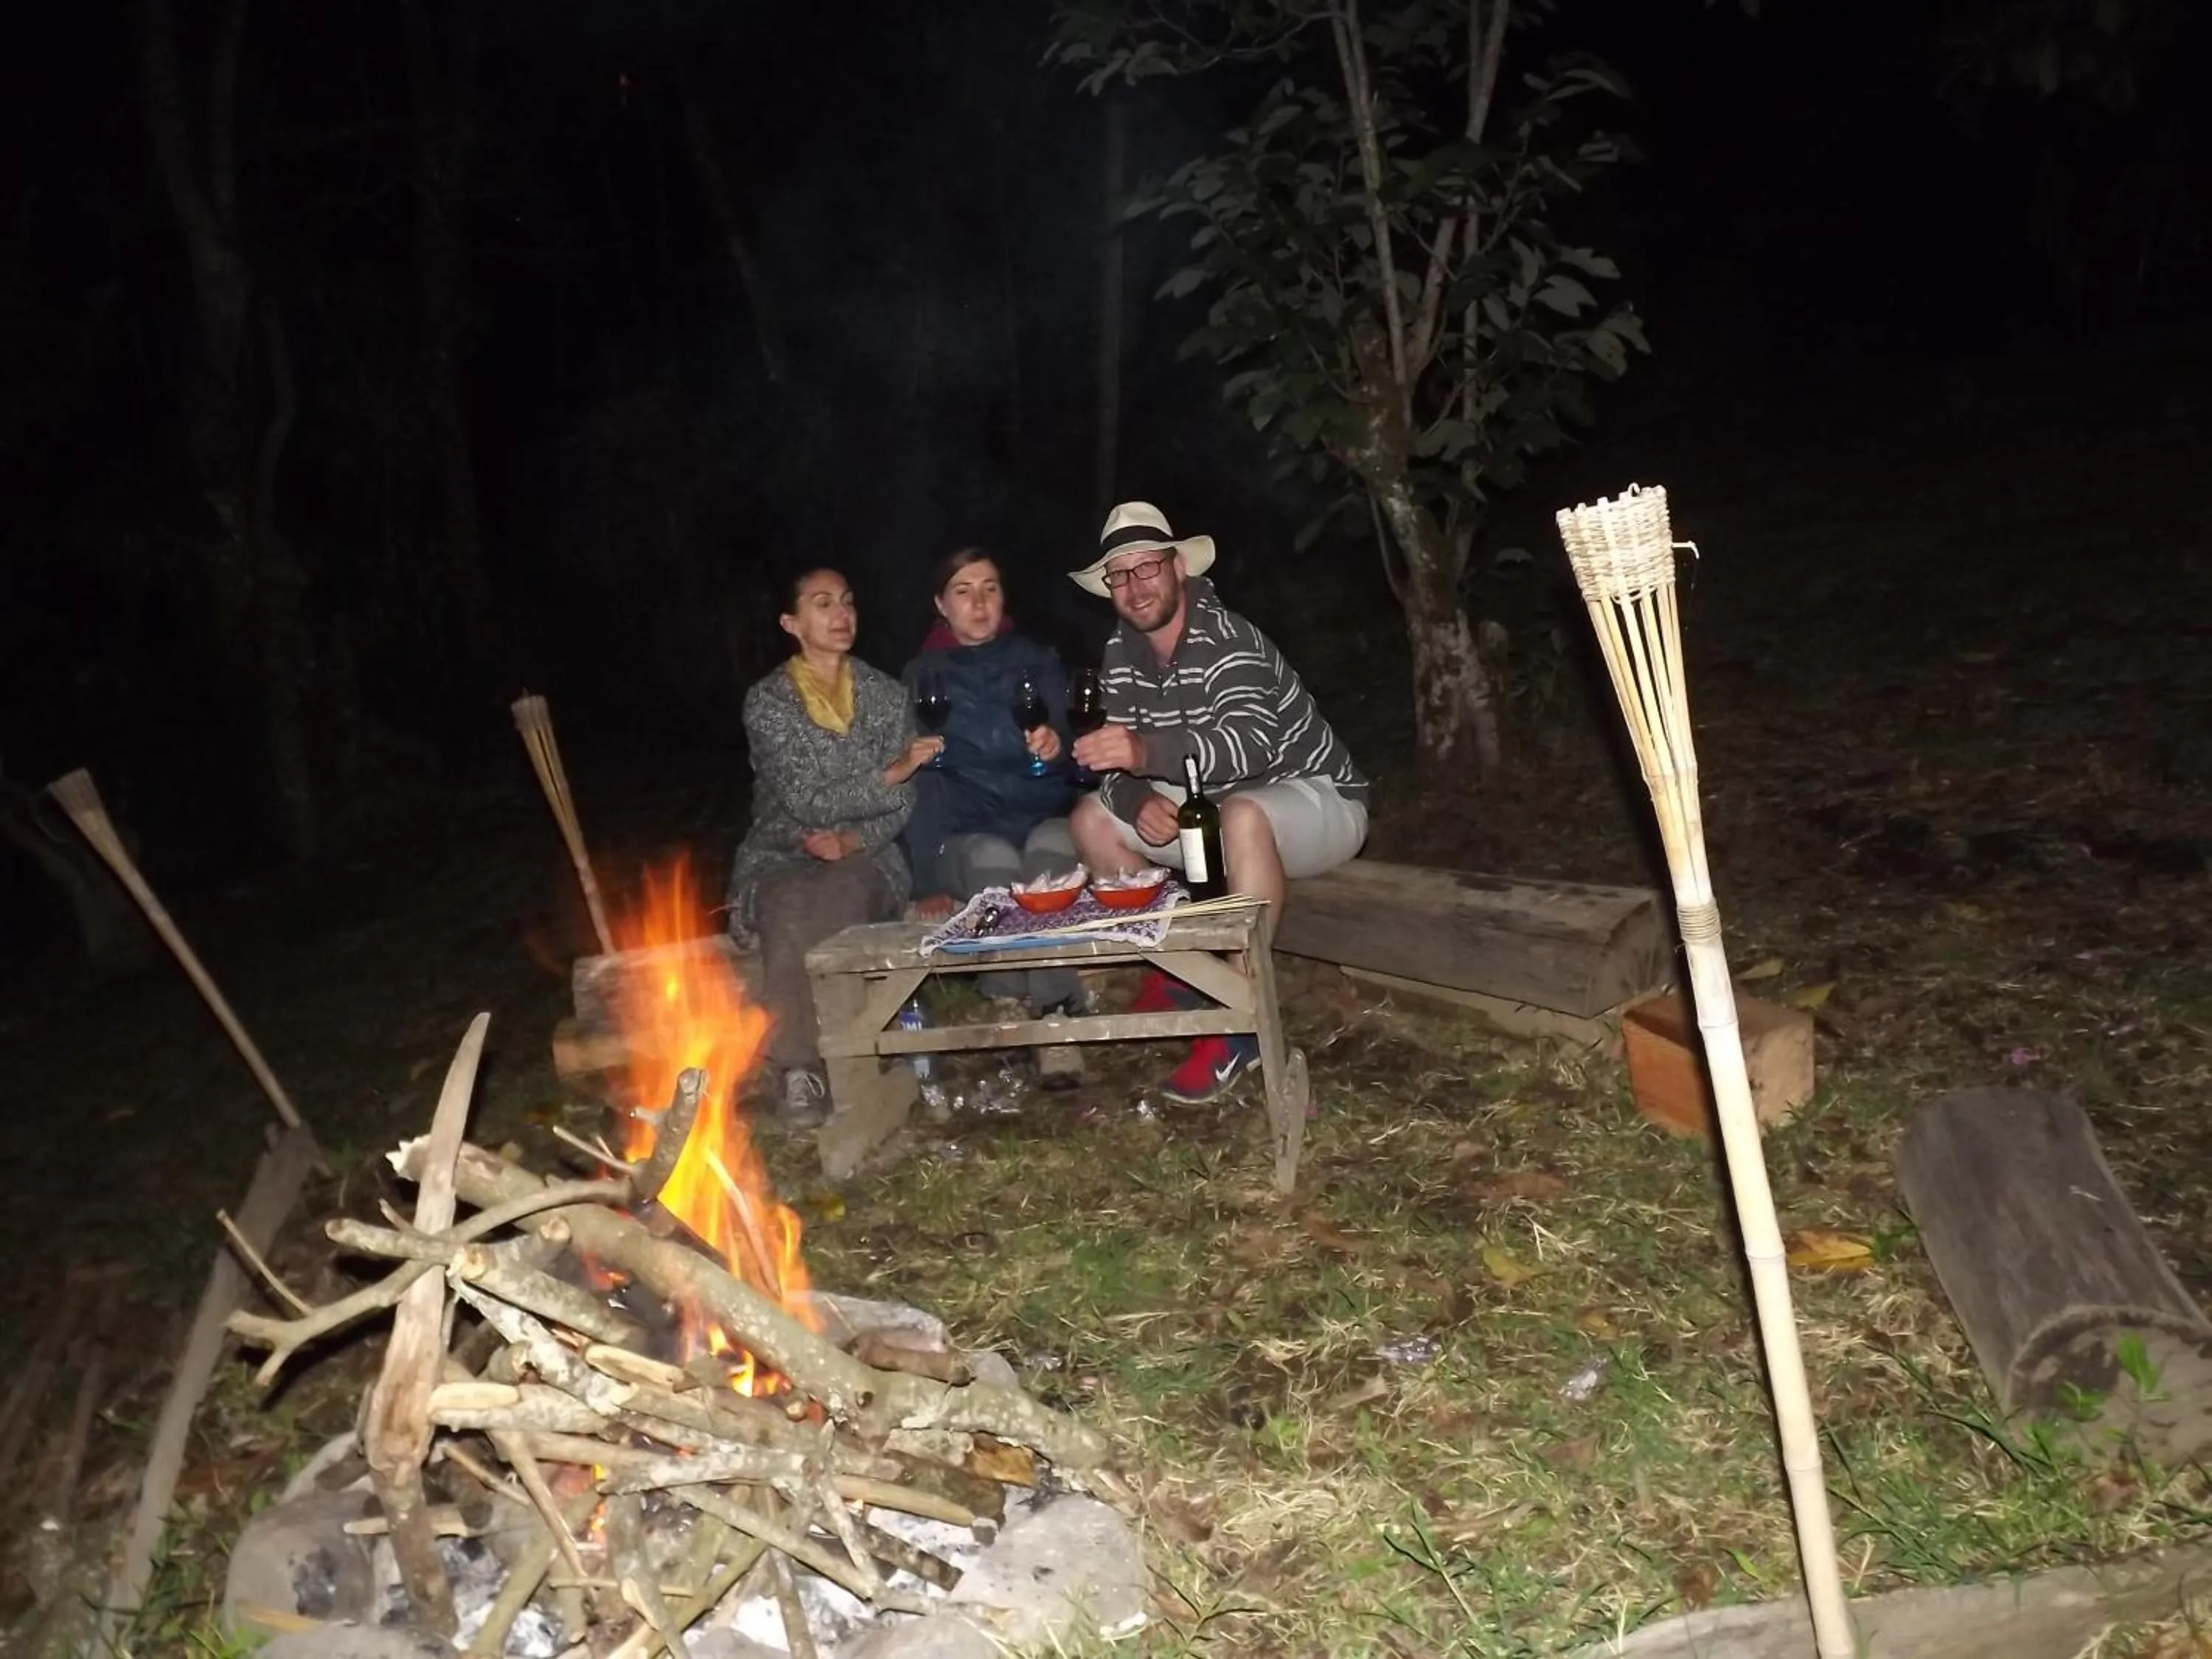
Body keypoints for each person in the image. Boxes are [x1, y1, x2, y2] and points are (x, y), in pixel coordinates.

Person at [1068, 501, 1368, 1104]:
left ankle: (1241, 1016)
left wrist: (1143, 754)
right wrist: (1134, 797)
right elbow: (1114, 765)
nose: (1134, 586)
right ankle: (1181, 969)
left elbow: (1251, 750)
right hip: (1213, 803)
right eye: (1119, 575)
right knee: (1092, 820)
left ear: (1178, 567)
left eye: (1147, 567)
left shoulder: (1226, 636)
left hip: (1319, 799)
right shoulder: (1120, 652)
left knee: (1243, 812)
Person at [727, 568, 942, 1125]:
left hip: (867, 855)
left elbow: (906, 802)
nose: (841, 614)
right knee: (785, 903)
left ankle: (845, 1061)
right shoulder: (768, 702)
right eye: (823, 604)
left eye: (847, 601)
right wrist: (890, 775)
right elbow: (805, 800)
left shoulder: (885, 695)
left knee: (839, 893)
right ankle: (799, 1069)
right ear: (791, 623)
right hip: (782, 850)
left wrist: (855, 836)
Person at [901, 546, 1087, 1088]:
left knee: (1050, 859)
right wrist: (928, 880)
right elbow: (920, 779)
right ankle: (1009, 1004)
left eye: (990, 588)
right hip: (968, 832)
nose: (979, 603)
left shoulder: (1038, 661)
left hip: (1042, 815)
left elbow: (1079, 744)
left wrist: (1061, 745)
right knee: (994, 859)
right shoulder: (921, 677)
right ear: (941, 604)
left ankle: (1052, 1017)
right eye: (963, 590)